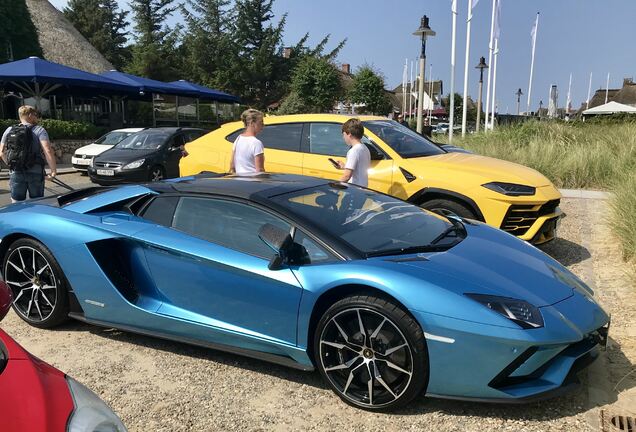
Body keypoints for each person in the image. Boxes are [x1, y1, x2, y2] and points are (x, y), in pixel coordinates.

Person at [0, 106, 57, 203]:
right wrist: (53, 171)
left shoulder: (10, 129)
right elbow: (47, 150)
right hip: (35, 171)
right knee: (37, 203)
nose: (37, 118)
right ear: (30, 115)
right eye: (36, 115)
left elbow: (1, 152)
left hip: (16, 171)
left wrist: (11, 165)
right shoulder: (40, 130)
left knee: (16, 203)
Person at [335, 118, 370, 187]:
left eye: (344, 134)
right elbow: (359, 169)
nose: (343, 137)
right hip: (363, 188)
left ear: (349, 134)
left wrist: (334, 186)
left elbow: (346, 176)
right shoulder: (364, 148)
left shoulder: (353, 151)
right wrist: (345, 167)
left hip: (354, 189)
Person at [229, 109, 265, 175]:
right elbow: (260, 170)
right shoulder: (256, 143)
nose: (263, 125)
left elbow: (232, 165)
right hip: (252, 182)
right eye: (261, 122)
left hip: (240, 181)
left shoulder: (238, 139)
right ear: (252, 123)